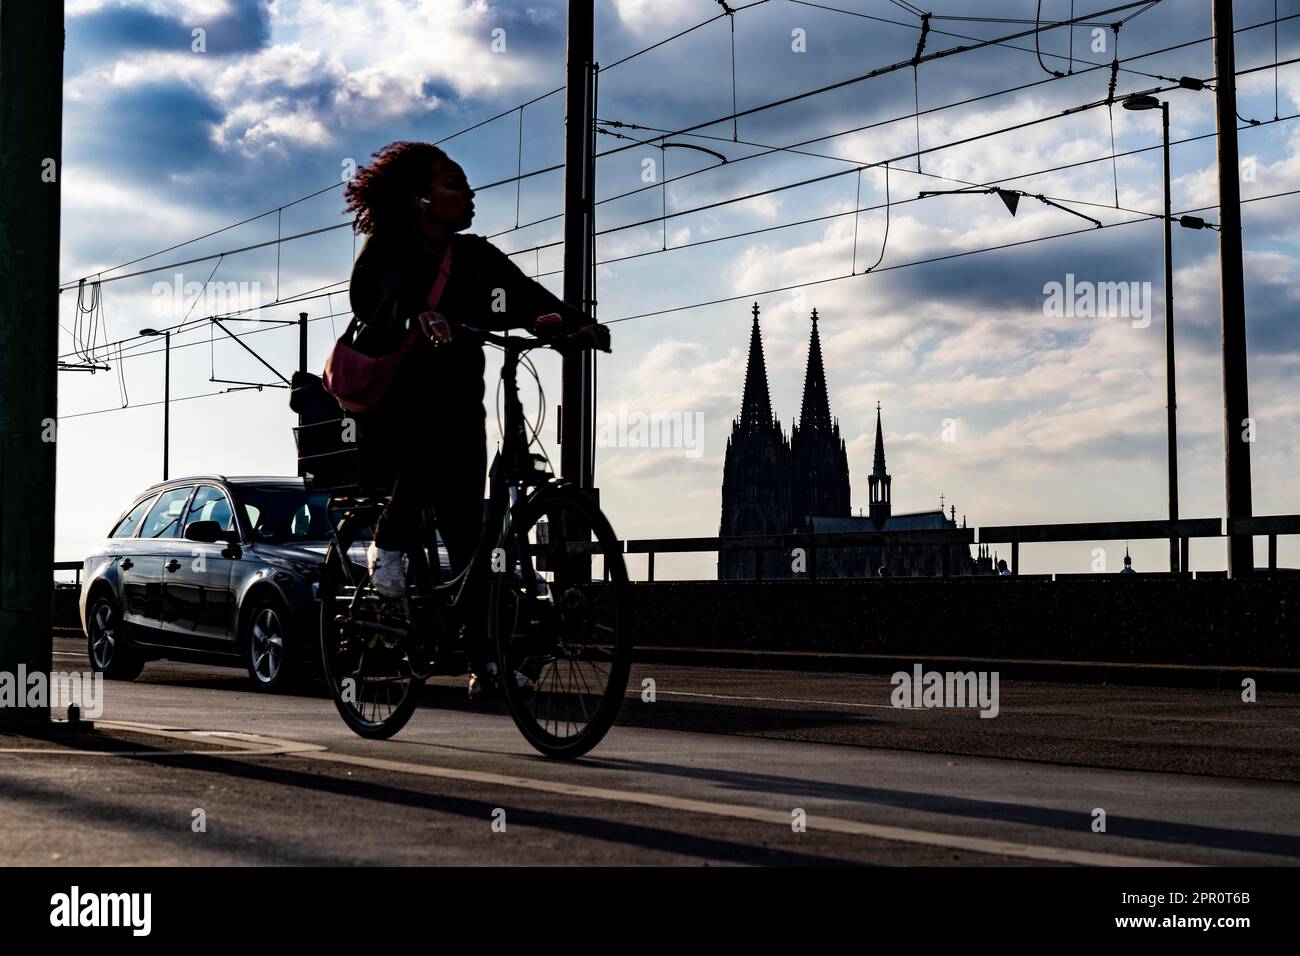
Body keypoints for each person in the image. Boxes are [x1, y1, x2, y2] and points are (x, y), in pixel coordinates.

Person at [343, 141, 608, 695]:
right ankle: (386, 549)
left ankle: (487, 662)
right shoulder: (388, 247)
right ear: (420, 198)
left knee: (472, 539)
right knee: (428, 453)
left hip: (462, 403)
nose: (468, 195)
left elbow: (524, 296)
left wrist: (570, 325)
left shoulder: (475, 257)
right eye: (454, 185)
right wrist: (418, 312)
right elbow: (373, 294)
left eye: (467, 185)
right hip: (396, 404)